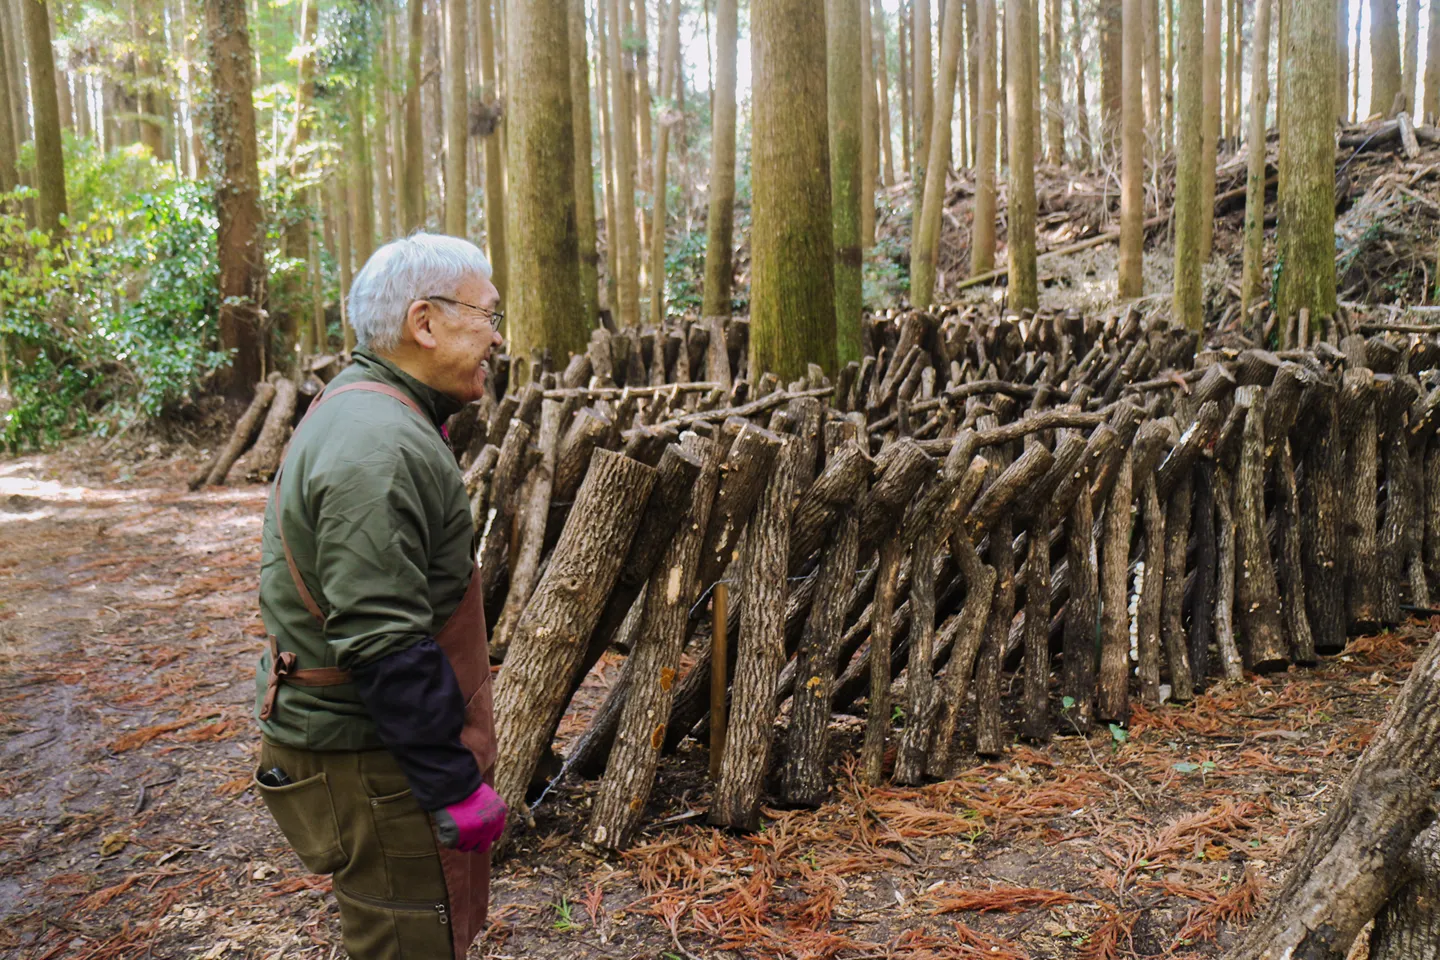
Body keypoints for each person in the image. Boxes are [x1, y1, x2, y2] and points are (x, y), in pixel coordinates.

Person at [252, 233, 508, 959]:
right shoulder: (376, 444)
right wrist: (450, 782)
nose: (495, 337)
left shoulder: (378, 413)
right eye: (488, 315)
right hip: (372, 763)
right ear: (424, 323)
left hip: (372, 754)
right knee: (406, 943)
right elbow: (381, 636)